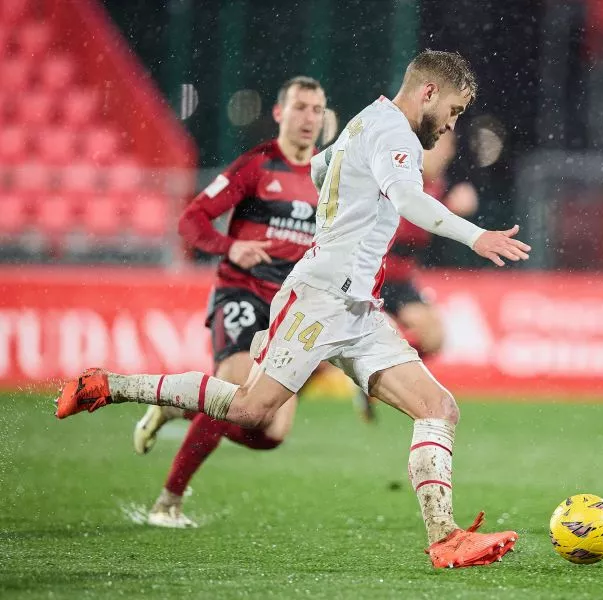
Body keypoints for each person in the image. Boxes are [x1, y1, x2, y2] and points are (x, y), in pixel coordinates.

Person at [55, 50, 530, 569]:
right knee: (250, 411)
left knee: (439, 409)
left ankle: (445, 536)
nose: (453, 125)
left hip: (359, 310)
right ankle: (110, 386)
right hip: (320, 300)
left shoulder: (366, 120)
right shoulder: (394, 133)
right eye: (455, 111)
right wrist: (475, 235)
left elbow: (324, 165)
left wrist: (338, 219)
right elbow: (409, 201)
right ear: (429, 93)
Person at [132, 76, 327, 527]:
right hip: (241, 292)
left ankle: (178, 404)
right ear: (279, 113)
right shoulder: (256, 165)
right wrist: (228, 246)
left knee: (271, 431)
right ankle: (167, 502)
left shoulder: (326, 176)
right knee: (235, 393)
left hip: (287, 311)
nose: (308, 118)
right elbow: (191, 218)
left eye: (316, 110)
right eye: (299, 108)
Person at [355, 131, 478, 421]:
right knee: (381, 336)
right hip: (371, 275)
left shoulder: (439, 185)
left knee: (434, 335)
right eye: (441, 146)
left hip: (401, 280)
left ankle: (377, 376)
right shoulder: (401, 179)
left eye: (450, 146)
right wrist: (451, 211)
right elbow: (410, 215)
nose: (446, 153)